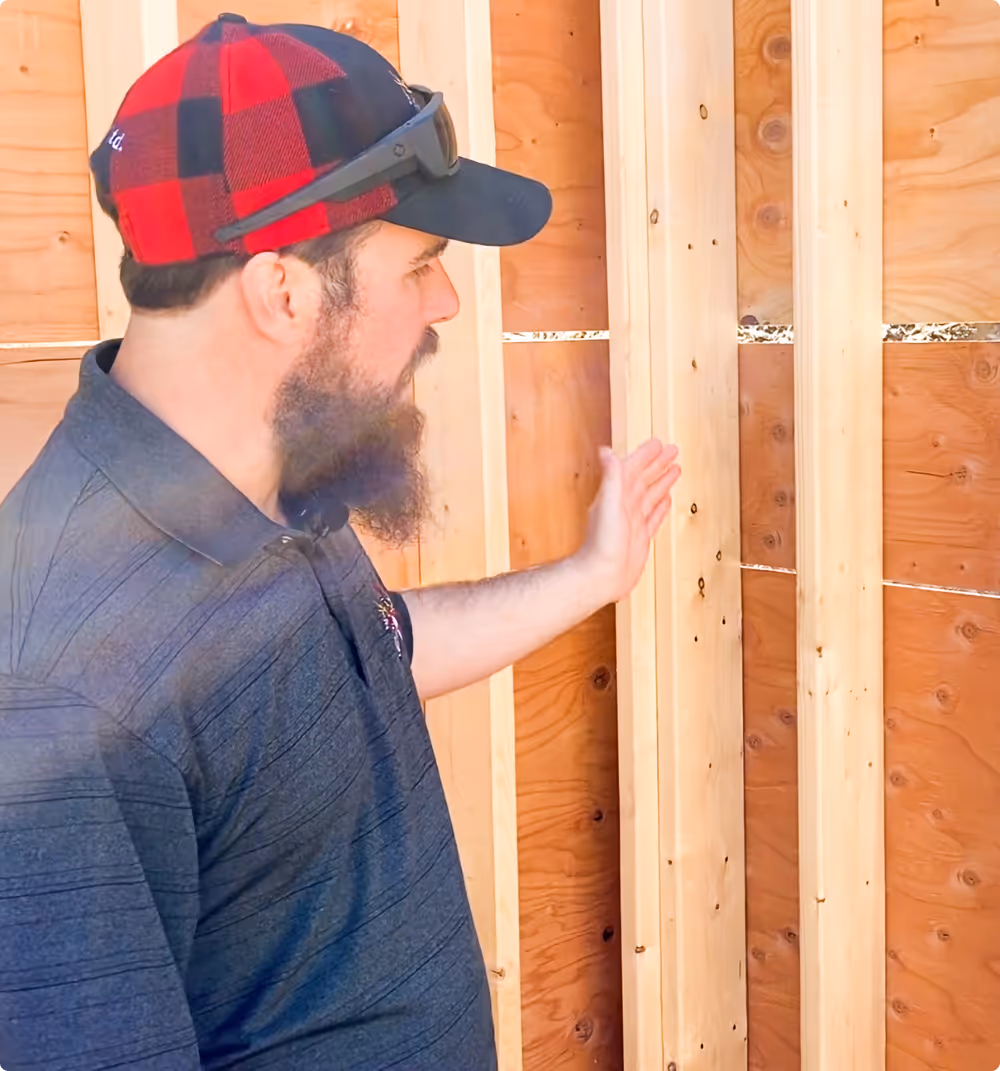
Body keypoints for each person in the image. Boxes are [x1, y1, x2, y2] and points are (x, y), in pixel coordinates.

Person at [0, 14, 680, 1071]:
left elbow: (362, 655)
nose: (445, 300)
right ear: (284, 290)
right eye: (419, 266)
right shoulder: (62, 691)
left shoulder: (269, 484)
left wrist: (591, 577)